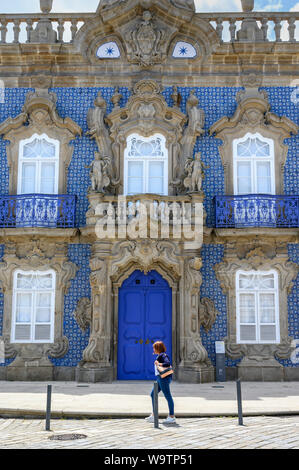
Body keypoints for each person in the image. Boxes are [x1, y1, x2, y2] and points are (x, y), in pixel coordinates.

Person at [145, 341, 176, 424]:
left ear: (158, 348)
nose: (153, 350)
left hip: (163, 379)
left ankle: (172, 416)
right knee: (152, 394)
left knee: (168, 396)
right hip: (160, 378)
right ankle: (154, 415)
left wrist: (159, 364)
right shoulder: (160, 356)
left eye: (154, 348)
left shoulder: (163, 355)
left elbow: (167, 363)